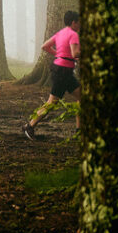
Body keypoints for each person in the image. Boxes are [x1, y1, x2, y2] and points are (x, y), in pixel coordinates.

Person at [23, 10, 81, 140]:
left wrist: (60, 55)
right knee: (52, 103)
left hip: (62, 70)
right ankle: (29, 126)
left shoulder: (60, 33)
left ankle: (79, 130)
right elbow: (75, 54)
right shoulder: (73, 34)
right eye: (79, 22)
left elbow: (45, 46)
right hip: (63, 73)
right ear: (73, 22)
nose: (80, 25)